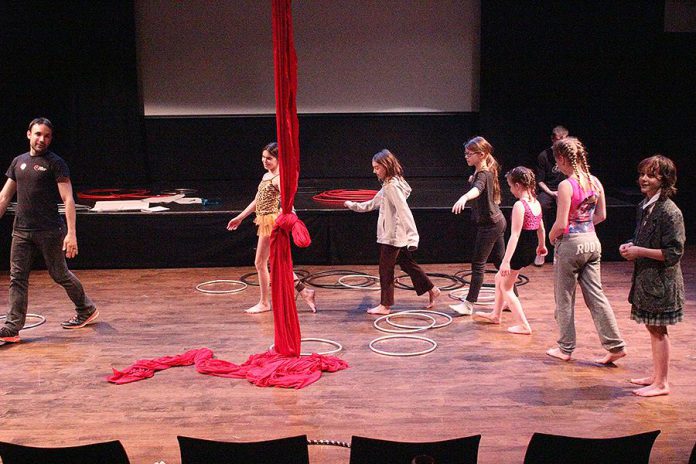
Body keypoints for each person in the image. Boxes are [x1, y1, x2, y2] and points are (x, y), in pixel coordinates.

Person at [0, 118, 98, 344]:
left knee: (59, 274)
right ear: (28, 134)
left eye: (46, 136)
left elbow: (68, 199)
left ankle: (86, 309)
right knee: (17, 278)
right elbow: (5, 196)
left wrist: (71, 233)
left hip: (49, 231)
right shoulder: (18, 162)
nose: (41, 139)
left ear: (50, 139)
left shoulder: (56, 163)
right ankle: (12, 327)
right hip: (21, 231)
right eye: (37, 134)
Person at [546, 137, 626, 364]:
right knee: (596, 296)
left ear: (562, 158)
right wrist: (585, 226)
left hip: (571, 244)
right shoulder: (596, 182)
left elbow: (561, 224)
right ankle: (615, 345)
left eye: (557, 161)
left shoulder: (566, 185)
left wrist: (551, 238)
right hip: (592, 241)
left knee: (564, 298)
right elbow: (601, 216)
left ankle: (565, 348)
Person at [344, 149, 440, 315]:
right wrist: (352, 205)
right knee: (407, 264)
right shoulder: (391, 183)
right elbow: (372, 204)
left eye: (377, 167)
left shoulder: (392, 187)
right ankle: (431, 289)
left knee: (385, 270)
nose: (374, 171)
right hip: (395, 234)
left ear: (386, 166)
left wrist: (413, 237)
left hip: (392, 236)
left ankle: (385, 305)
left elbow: (404, 211)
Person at [620, 155, 684, 397]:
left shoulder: (669, 212)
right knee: (652, 328)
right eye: (642, 174)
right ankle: (656, 375)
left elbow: (674, 252)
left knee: (658, 330)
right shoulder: (646, 205)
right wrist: (630, 246)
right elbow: (642, 238)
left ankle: (662, 382)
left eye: (651, 175)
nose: (644, 179)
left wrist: (639, 251)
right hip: (647, 279)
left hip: (662, 281)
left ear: (664, 180)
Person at [226, 142, 316, 314]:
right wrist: (240, 217)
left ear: (278, 159)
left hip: (273, 222)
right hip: (265, 220)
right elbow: (257, 200)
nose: (264, 161)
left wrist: (287, 218)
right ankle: (305, 292)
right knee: (276, 263)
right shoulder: (267, 176)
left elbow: (288, 202)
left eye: (269, 158)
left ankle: (265, 302)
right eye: (263, 157)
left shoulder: (280, 178)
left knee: (261, 262)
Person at [473, 166, 546, 334]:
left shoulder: (520, 206)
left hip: (519, 251)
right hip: (529, 248)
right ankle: (495, 314)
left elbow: (514, 235)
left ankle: (523, 325)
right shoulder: (536, 203)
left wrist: (505, 261)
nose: (511, 190)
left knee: (506, 287)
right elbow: (540, 228)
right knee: (499, 278)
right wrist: (541, 246)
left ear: (519, 186)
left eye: (511, 186)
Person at [450, 136, 506, 316]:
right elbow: (479, 186)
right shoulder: (483, 171)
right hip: (497, 221)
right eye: (465, 153)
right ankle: (511, 300)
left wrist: (464, 197)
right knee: (501, 263)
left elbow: (478, 189)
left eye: (469, 154)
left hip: (490, 225)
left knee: (478, 265)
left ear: (481, 155)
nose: (466, 156)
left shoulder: (483, 174)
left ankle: (468, 305)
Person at [534, 125, 568, 265]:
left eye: (563, 140)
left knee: (568, 212)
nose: (560, 143)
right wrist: (551, 192)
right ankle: (541, 249)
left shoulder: (569, 155)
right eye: (558, 140)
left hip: (566, 189)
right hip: (549, 190)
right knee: (540, 206)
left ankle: (562, 251)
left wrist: (564, 191)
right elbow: (540, 181)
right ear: (552, 139)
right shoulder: (544, 156)